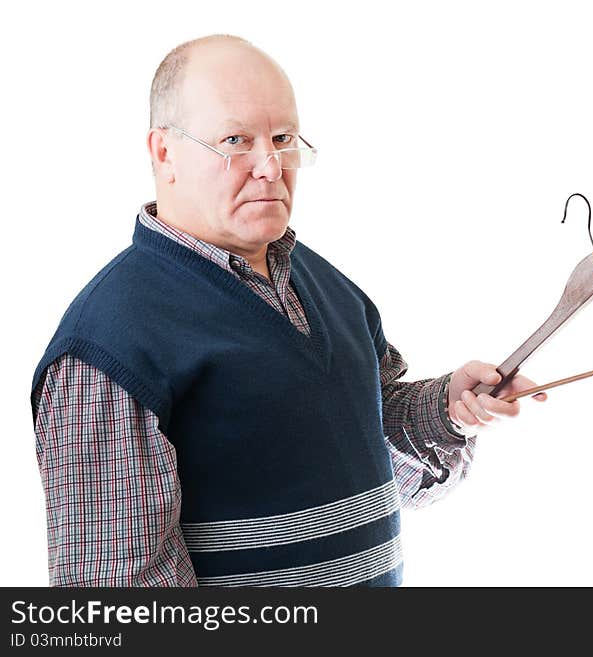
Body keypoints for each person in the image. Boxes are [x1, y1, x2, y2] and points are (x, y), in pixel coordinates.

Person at [29, 34, 547, 587]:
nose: (271, 168)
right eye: (236, 140)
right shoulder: (110, 344)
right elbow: (117, 594)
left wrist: (446, 409)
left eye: (282, 138)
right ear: (164, 152)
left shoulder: (329, 287)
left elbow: (377, 449)